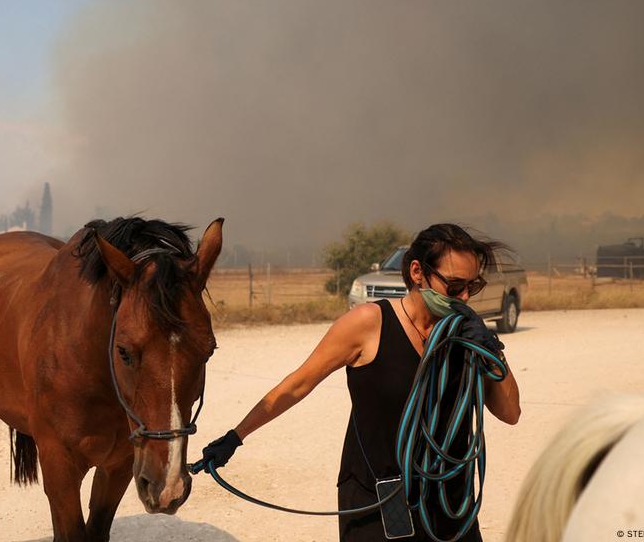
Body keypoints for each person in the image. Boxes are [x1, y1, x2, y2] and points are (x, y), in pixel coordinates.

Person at [197, 224, 521, 541]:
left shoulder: (467, 338)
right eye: (453, 286)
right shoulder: (369, 324)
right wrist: (234, 437)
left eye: (472, 287)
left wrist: (493, 351)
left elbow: (510, 413)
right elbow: (298, 384)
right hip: (378, 500)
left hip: (449, 502)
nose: (463, 296)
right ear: (418, 271)